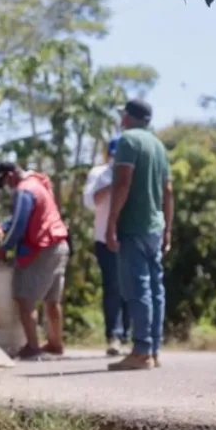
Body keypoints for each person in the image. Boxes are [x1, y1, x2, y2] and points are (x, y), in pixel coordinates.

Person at [105, 99, 173, 371]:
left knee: (137, 288)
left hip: (133, 225)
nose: (121, 119)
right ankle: (153, 350)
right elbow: (168, 191)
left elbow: (123, 183)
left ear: (129, 117)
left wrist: (111, 222)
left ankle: (141, 351)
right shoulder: (158, 146)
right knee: (156, 288)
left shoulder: (128, 141)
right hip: (155, 227)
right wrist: (168, 229)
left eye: (123, 115)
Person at [0, 162, 70, 360]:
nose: (8, 187)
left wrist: (2, 249)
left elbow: (19, 225)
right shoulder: (38, 183)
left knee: (24, 298)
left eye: (5, 182)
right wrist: (4, 226)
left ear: (10, 175)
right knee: (52, 300)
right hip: (60, 246)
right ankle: (55, 344)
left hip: (41, 249)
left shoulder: (24, 190)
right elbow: (28, 215)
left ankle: (33, 348)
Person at [83, 137, 130, 357]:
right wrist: (113, 186)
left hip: (130, 239)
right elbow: (89, 202)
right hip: (105, 238)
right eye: (114, 154)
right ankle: (114, 336)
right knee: (113, 287)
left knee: (130, 288)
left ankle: (128, 335)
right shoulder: (99, 174)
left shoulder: (134, 173)